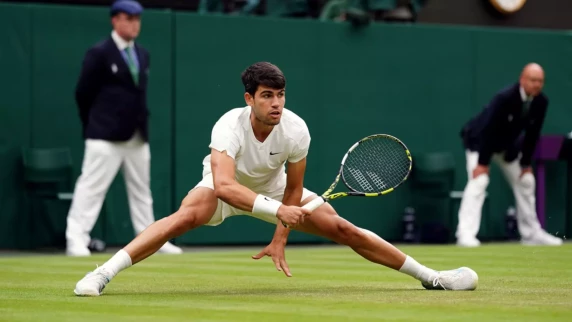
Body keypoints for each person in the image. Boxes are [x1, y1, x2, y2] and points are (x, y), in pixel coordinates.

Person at [73, 62, 478, 296]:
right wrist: (279, 210)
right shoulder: (227, 126)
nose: (277, 104)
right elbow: (227, 186)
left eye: (281, 95)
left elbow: (294, 187)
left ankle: (434, 278)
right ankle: (101, 274)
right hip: (226, 187)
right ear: (249, 98)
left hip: (274, 191)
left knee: (342, 227)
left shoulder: (296, 130)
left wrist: (280, 233)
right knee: (182, 217)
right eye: (267, 95)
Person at [66, 0, 182, 256]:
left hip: (137, 136)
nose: (134, 24)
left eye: (137, 19)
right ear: (115, 20)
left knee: (142, 191)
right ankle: (76, 239)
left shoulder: (143, 54)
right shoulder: (98, 53)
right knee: (91, 188)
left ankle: (152, 240)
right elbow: (82, 94)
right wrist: (95, 123)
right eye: (128, 19)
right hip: (104, 135)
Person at [456, 63, 563, 247]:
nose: (536, 84)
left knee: (527, 181)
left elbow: (532, 134)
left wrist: (526, 164)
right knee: (479, 182)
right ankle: (465, 235)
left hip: (507, 147)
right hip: (479, 142)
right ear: (522, 79)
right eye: (533, 80)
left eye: (540, 81)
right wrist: (482, 163)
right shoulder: (504, 98)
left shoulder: (541, 102)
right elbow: (488, 130)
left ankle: (531, 234)